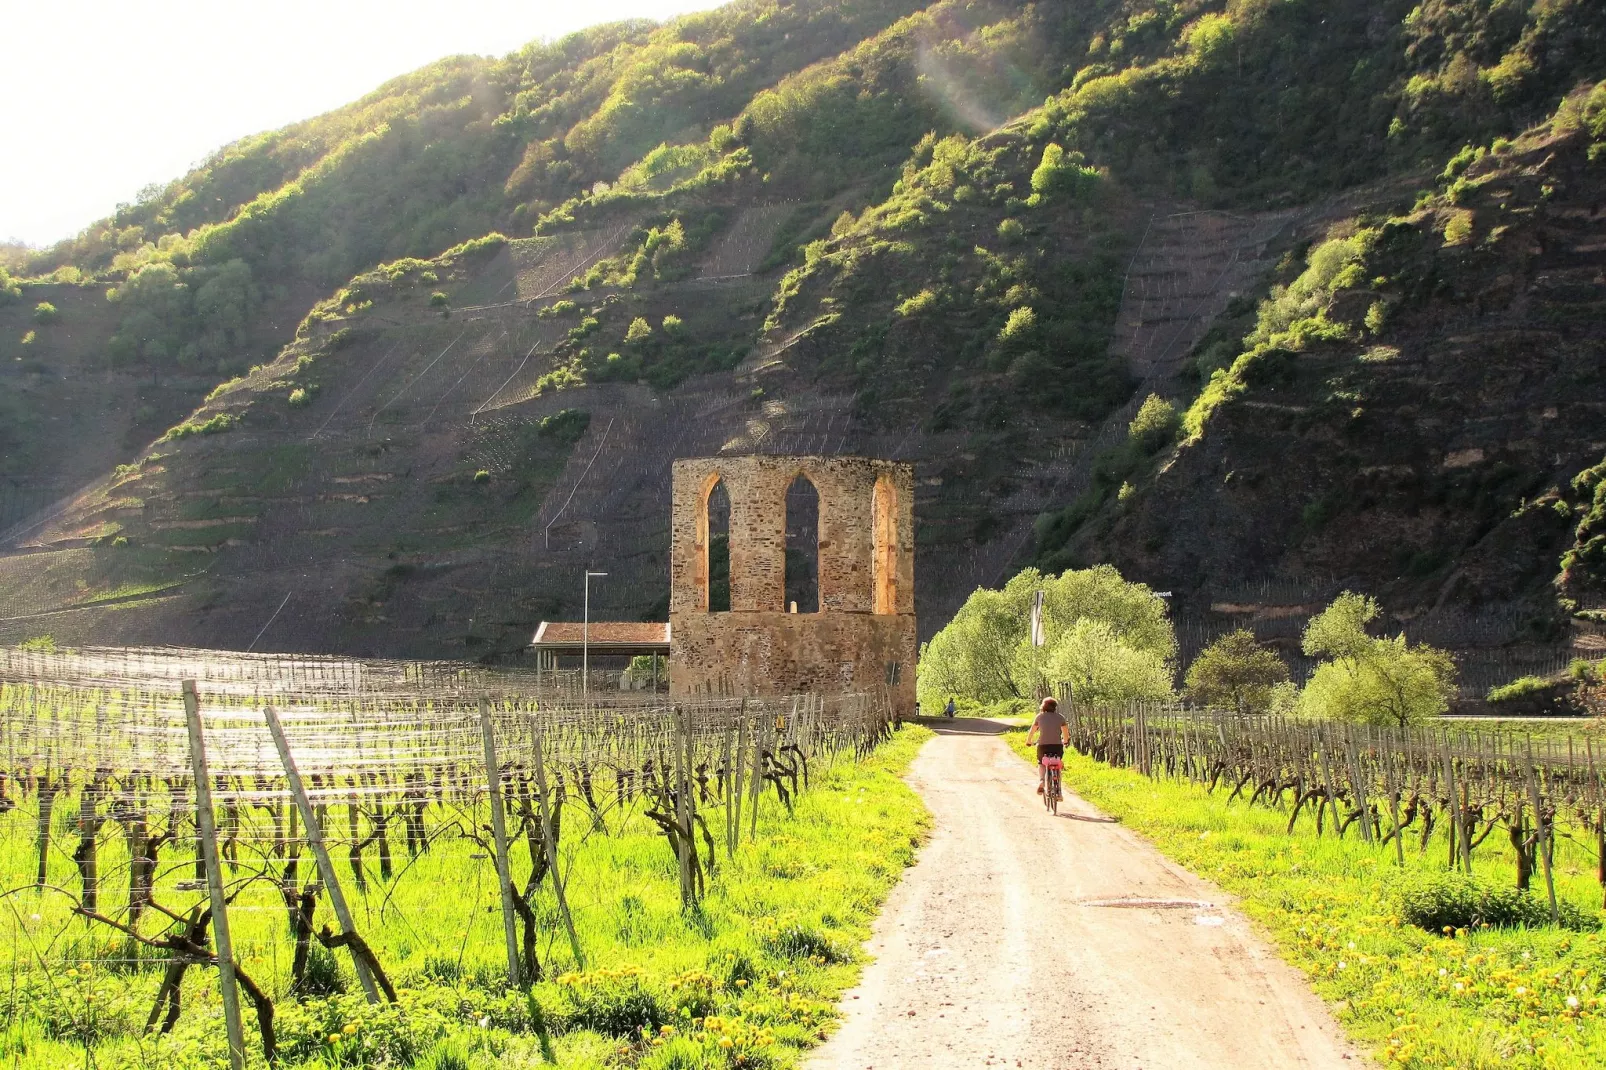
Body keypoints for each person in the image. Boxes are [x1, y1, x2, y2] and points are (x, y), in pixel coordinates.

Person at [1025, 697, 1068, 794]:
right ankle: (1058, 790)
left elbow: (1032, 731)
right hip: (1057, 746)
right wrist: (1065, 741)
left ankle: (1041, 781)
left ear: (1043, 707)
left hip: (1043, 746)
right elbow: (1065, 733)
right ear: (1055, 707)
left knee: (1041, 763)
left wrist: (1028, 741)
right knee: (1057, 762)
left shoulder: (1039, 717)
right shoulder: (1061, 717)